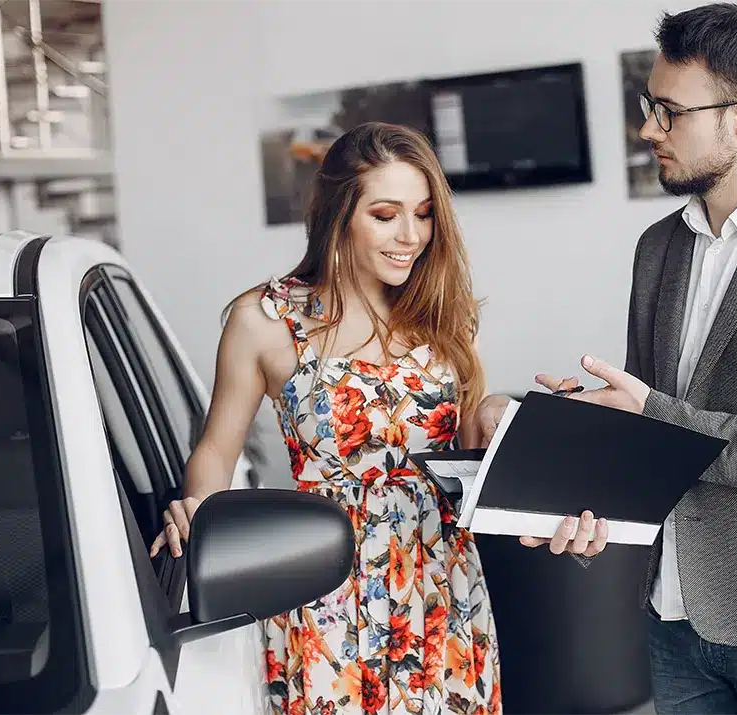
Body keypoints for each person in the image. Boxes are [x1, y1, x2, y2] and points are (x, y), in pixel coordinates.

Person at [488, 4, 737, 714]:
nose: (648, 129)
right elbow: (646, 435)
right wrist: (584, 432)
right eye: (651, 107)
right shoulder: (659, 249)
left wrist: (652, 413)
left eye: (669, 112)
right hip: (668, 616)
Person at [149, 121, 503, 714]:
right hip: (321, 578)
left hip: (442, 580)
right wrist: (203, 520)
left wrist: (495, 414)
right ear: (340, 214)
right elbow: (217, 449)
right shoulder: (264, 318)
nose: (410, 236)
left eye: (423, 214)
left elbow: (461, 449)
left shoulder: (440, 310)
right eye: (386, 215)